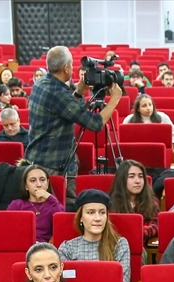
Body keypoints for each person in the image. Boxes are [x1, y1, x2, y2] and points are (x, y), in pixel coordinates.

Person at [27, 46, 123, 209]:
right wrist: (115, 98)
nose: (73, 68)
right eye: (71, 65)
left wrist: (78, 92)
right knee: (62, 207)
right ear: (66, 68)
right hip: (54, 165)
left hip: (38, 157)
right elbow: (95, 124)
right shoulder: (58, 93)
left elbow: (66, 110)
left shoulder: (42, 83)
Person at [56, 190, 131, 282]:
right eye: (91, 212)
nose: (98, 218)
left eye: (102, 212)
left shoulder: (119, 244)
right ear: (80, 217)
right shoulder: (67, 247)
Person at [109, 158, 159, 249]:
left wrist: (133, 233)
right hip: (115, 246)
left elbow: (155, 225)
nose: (137, 181)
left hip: (141, 245)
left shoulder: (152, 202)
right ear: (122, 180)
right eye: (131, 176)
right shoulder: (111, 203)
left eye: (140, 176)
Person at [7, 163, 64, 244]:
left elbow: (61, 229)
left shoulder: (55, 205)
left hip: (45, 248)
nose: (39, 184)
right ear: (26, 186)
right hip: (21, 246)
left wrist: (51, 199)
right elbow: (7, 231)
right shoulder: (16, 205)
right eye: (33, 181)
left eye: (42, 180)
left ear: (47, 183)